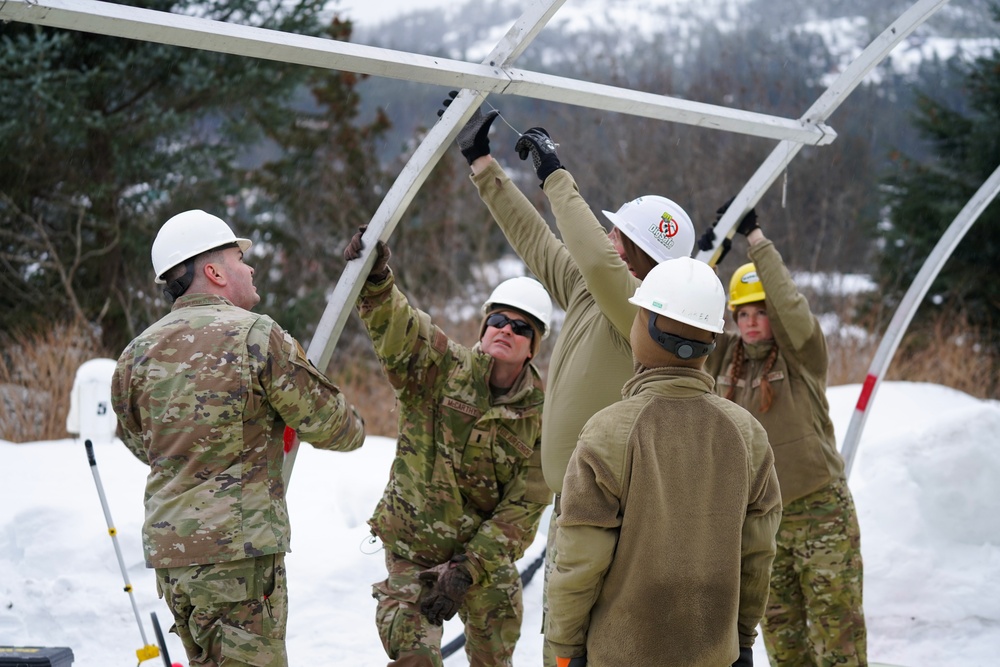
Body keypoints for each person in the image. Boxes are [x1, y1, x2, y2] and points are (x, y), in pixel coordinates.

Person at [443, 95, 695, 666]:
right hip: (573, 506)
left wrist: (556, 176)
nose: (607, 239)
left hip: (617, 511)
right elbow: (539, 243)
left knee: (604, 643)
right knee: (565, 641)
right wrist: (483, 166)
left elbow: (593, 257)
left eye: (618, 236)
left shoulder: (641, 309)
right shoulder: (593, 291)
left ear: (639, 255)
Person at [111, 209, 366, 667]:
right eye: (239, 258)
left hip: (173, 559)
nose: (250, 268)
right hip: (238, 558)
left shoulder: (135, 354)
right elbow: (334, 426)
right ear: (213, 272)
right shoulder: (256, 336)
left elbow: (142, 444)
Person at [545, 257, 782, 667]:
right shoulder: (747, 434)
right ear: (711, 340)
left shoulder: (608, 431)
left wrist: (565, 652)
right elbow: (757, 553)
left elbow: (579, 560)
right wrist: (742, 642)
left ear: (649, 328)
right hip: (713, 654)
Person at [343, 226, 554, 667]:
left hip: (480, 561)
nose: (505, 330)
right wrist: (376, 277)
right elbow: (399, 327)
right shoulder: (440, 365)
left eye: (520, 327)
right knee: (415, 655)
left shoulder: (541, 416)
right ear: (484, 327)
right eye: (497, 320)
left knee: (495, 653)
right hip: (412, 546)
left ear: (533, 347)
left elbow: (523, 509)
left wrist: (467, 569)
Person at [700, 207, 869, 666]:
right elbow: (688, 313)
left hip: (820, 512)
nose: (752, 321)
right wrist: (710, 256)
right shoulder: (721, 361)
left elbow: (793, 307)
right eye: (743, 313)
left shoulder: (801, 356)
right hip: (759, 524)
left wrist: (756, 239)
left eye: (762, 312)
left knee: (838, 635)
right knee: (783, 641)